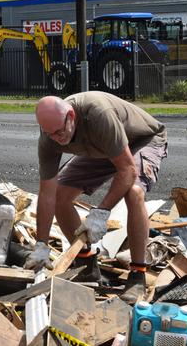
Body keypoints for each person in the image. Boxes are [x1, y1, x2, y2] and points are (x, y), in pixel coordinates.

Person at [24, 91, 167, 304]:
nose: (57, 138)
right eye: (50, 133)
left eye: (60, 131)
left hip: (140, 140)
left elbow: (127, 170)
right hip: (102, 148)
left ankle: (138, 274)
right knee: (60, 196)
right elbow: (47, 193)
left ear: (71, 116)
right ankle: (87, 265)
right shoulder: (50, 138)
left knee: (134, 191)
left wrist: (100, 212)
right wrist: (42, 243)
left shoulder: (98, 113)